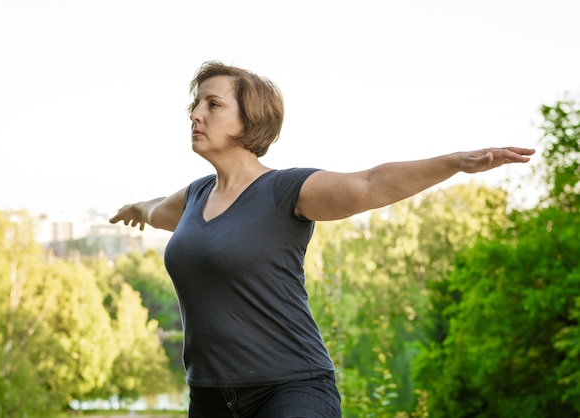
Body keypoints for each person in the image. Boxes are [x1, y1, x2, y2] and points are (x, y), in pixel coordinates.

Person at [109, 61, 535, 418]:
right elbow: (155, 208)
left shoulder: (285, 191)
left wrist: (455, 162)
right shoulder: (197, 194)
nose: (195, 114)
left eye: (213, 104)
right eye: (196, 104)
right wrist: (134, 209)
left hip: (291, 390)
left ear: (249, 120)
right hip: (208, 396)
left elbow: (369, 184)